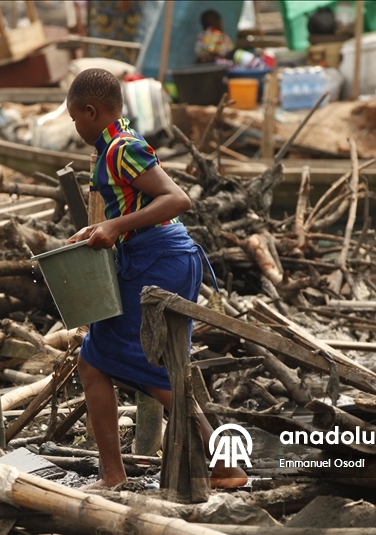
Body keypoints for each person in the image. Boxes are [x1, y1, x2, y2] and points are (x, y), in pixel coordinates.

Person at [65, 68, 247, 490]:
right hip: (156, 256)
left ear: (91, 111)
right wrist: (102, 229)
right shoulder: (116, 141)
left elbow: (176, 198)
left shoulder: (121, 148)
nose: (75, 127)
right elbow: (135, 206)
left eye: (75, 117)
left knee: (107, 364)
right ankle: (223, 465)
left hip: (158, 259)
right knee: (151, 366)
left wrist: (114, 227)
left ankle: (116, 476)